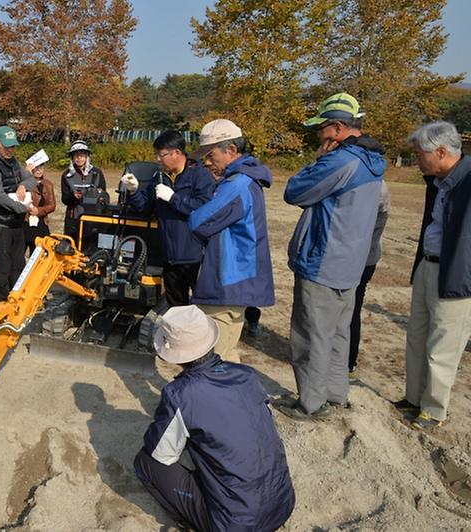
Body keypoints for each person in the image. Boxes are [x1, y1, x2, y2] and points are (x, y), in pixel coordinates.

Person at [134, 305, 295, 531]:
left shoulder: (180, 394)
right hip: (282, 504)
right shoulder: (246, 374)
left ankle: (191, 521)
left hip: (235, 524)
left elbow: (161, 454)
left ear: (173, 353)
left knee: (145, 462)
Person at [280, 93, 385, 420]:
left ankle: (310, 405)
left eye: (321, 129)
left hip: (321, 263)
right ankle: (336, 395)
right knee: (339, 334)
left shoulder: (339, 161)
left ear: (338, 128)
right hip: (350, 265)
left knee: (310, 335)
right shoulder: (373, 161)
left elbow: (293, 191)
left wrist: (316, 159)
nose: (319, 136)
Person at [396, 121, 471, 430]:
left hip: (456, 274)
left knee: (443, 344)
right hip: (428, 265)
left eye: (419, 154)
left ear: (441, 152)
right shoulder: (438, 181)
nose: (417, 160)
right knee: (417, 335)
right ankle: (413, 397)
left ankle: (434, 409)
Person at [188, 119, 274, 363]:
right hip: (235, 281)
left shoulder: (237, 185)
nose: (206, 162)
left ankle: (218, 401)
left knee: (216, 356)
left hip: (227, 283)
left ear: (232, 150)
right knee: (226, 352)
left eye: (210, 154)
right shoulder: (241, 181)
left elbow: (198, 222)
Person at [121, 130, 214, 307]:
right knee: (176, 305)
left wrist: (173, 198)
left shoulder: (199, 176)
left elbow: (204, 208)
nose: (157, 159)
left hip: (194, 255)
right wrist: (133, 190)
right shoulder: (160, 177)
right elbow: (145, 207)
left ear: (177, 153)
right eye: (156, 154)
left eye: (160, 154)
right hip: (169, 254)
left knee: (202, 305)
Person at [0, 125, 38, 302]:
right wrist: (22, 208)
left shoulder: (14, 163)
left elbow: (30, 178)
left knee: (18, 264)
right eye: (7, 146)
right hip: (0, 225)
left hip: (17, 224)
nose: (10, 150)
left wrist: (23, 185)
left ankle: (16, 300)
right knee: (3, 267)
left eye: (13, 146)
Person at [349, 181, 390, 377]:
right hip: (367, 259)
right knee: (352, 309)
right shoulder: (379, 184)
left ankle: (347, 360)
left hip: (359, 260)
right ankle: (348, 361)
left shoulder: (371, 187)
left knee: (349, 310)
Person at [60, 140, 106, 239]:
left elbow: (103, 195)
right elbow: (64, 199)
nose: (79, 158)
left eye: (82, 155)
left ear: (87, 156)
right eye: (76, 155)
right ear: (72, 157)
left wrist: (99, 198)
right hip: (73, 219)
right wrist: (74, 196)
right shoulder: (66, 175)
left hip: (94, 218)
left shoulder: (97, 173)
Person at [25, 162, 56, 254]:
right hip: (25, 221)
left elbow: (52, 205)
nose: (38, 170)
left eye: (41, 167)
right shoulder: (22, 183)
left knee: (40, 253)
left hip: (41, 222)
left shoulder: (48, 184)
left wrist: (38, 211)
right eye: (35, 167)